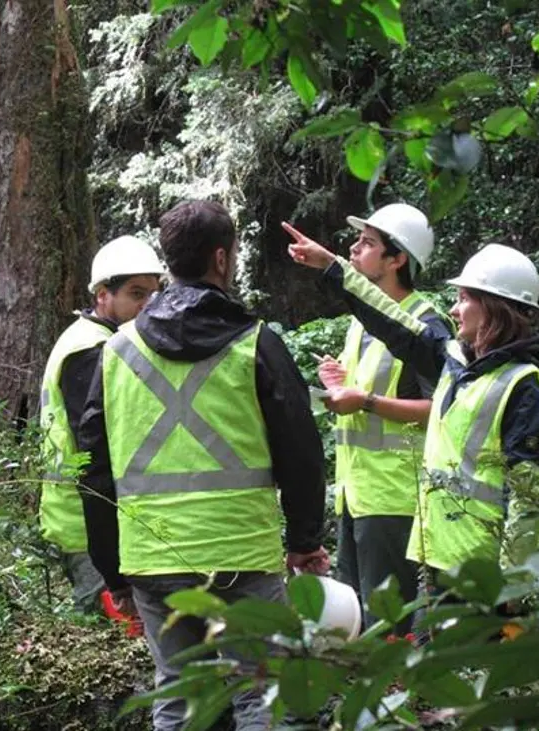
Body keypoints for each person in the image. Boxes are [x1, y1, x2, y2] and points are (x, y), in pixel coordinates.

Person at [78, 200, 328, 731]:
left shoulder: (117, 351)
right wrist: (305, 539)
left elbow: (93, 471)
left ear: (169, 261)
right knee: (261, 693)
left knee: (180, 695)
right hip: (241, 554)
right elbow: (301, 450)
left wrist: (111, 568)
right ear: (222, 257)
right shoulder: (256, 343)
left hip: (153, 557)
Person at [284, 225, 539, 588]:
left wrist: (514, 582)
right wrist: (331, 267)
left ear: (494, 308)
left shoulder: (525, 391)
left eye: (464, 298)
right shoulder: (454, 362)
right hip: (434, 554)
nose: (454, 308)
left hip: (480, 572)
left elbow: (527, 500)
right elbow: (391, 320)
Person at [314, 204, 452, 636]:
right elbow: (368, 390)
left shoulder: (427, 326)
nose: (354, 249)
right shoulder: (362, 323)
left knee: (388, 625)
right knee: (355, 619)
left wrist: (366, 401)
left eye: (368, 243)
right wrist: (338, 382)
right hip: (355, 495)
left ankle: (403, 701)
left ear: (398, 259)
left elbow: (443, 411)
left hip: (396, 498)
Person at [38, 235, 164, 614]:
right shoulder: (90, 350)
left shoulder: (106, 341)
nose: (147, 306)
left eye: (153, 294)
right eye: (136, 294)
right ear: (102, 295)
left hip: (96, 520)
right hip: (87, 523)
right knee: (113, 634)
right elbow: (97, 446)